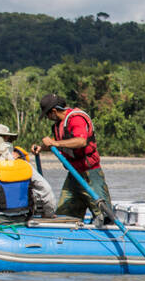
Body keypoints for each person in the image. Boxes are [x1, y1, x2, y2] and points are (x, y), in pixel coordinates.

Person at [31, 94, 113, 222]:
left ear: (53, 111)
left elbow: (81, 141)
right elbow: (61, 142)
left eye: (47, 115)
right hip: (74, 175)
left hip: (90, 174)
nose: (48, 118)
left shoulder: (76, 119)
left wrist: (55, 144)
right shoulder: (59, 125)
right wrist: (42, 148)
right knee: (63, 215)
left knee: (105, 215)